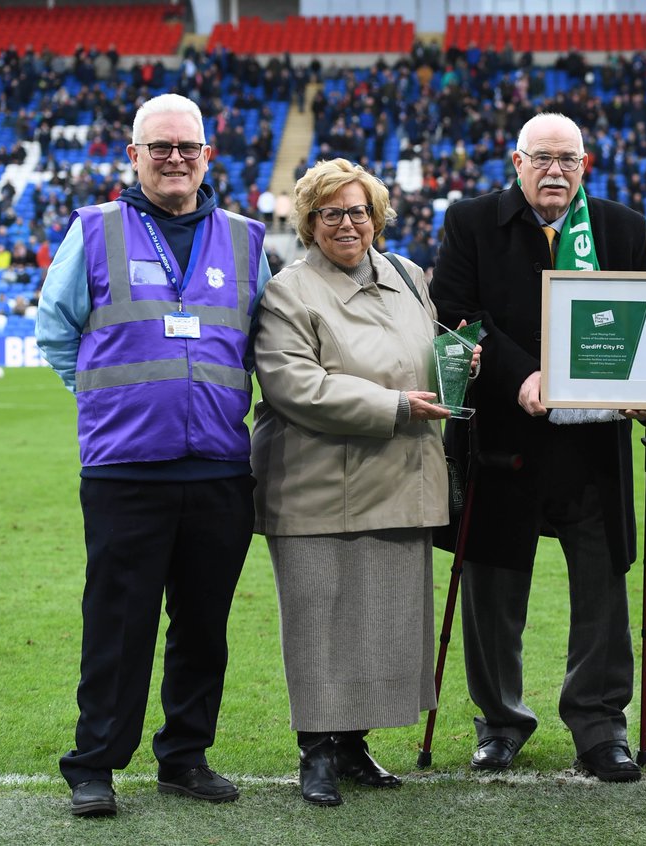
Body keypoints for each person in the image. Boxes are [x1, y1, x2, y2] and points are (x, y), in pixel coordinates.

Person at [35, 93, 271, 818]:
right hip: (125, 472)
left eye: (187, 147)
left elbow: (270, 343)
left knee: (203, 626)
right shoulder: (94, 228)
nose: (174, 158)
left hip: (221, 472)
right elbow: (56, 332)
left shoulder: (247, 238)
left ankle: (185, 756)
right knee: (119, 621)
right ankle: (95, 763)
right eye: (159, 146)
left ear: (208, 157)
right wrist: (113, 405)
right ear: (132, 155)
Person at [430, 112, 646, 782]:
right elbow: (457, 314)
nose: (556, 171)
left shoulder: (622, 228)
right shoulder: (470, 222)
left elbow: (642, 322)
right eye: (543, 158)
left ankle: (599, 725)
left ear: (585, 166)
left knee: (601, 591)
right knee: (492, 590)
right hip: (503, 436)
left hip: (593, 444)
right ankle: (499, 723)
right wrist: (521, 373)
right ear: (516, 161)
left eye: (569, 160)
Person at [250, 158, 477, 806]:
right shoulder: (289, 290)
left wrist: (459, 357)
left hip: (399, 478)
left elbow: (424, 349)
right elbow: (296, 384)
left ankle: (352, 745)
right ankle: (316, 751)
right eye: (330, 213)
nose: (346, 224)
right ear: (309, 222)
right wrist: (397, 405)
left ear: (376, 216)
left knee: (383, 622)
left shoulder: (407, 274)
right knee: (318, 622)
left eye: (357, 211)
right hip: (315, 485)